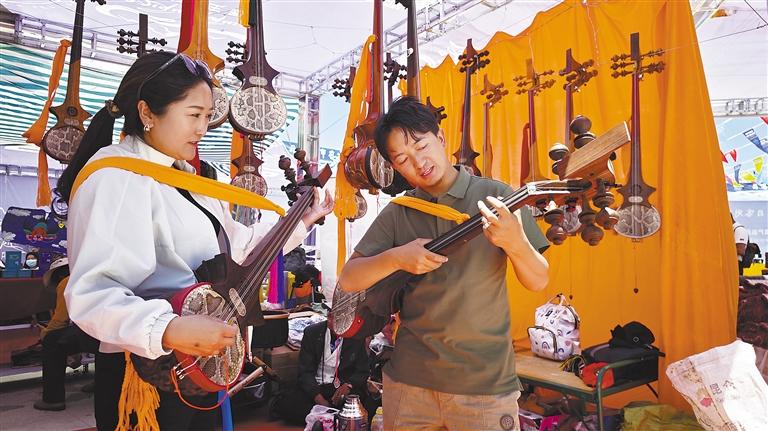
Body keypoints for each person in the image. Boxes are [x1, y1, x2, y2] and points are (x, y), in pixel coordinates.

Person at [56, 51, 333, 430]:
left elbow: (239, 250)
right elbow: (91, 294)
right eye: (193, 115)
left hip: (203, 364)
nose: (203, 128)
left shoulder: (193, 179)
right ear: (147, 112)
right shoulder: (114, 176)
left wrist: (301, 222)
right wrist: (168, 328)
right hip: (145, 371)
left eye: (207, 116)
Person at [337, 96, 550, 431]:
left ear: (441, 138)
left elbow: (538, 280)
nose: (418, 162)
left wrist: (515, 242)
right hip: (409, 384)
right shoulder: (399, 212)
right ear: (395, 168)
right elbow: (350, 279)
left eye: (422, 146)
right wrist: (397, 257)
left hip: (484, 386)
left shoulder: (496, 195)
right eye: (403, 159)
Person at [272, 320, 373, 426]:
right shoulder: (312, 332)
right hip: (316, 387)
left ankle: (324, 419)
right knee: (289, 405)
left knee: (363, 406)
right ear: (328, 318)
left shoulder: (356, 335)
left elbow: (363, 371)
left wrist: (348, 385)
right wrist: (318, 398)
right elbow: (305, 371)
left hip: (340, 390)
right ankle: (329, 419)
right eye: (332, 317)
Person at [33, 257, 99, 412]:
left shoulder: (66, 282)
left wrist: (45, 334)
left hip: (96, 333)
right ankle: (101, 382)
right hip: (114, 333)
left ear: (58, 275)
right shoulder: (93, 276)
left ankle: (52, 399)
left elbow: (60, 320)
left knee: (52, 340)